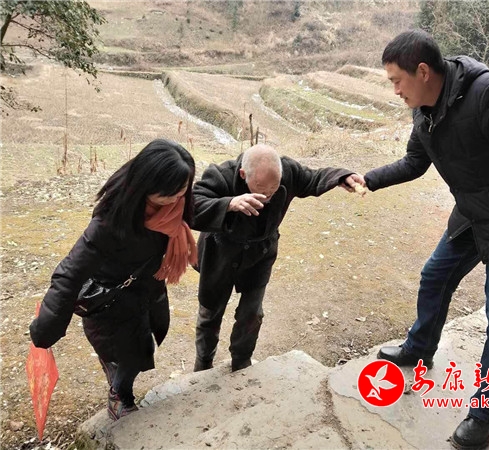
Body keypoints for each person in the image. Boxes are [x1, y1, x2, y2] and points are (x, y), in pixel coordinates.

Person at [353, 30, 489, 449]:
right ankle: (419, 348)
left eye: (397, 81)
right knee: (435, 276)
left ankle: (485, 415)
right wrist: (369, 179)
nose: (395, 90)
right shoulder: (424, 110)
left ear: (422, 71)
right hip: (474, 212)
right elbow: (415, 161)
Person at [29, 139, 197, 420]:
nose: (178, 199)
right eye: (171, 194)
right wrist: (45, 330)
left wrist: (230, 204)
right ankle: (119, 397)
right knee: (130, 357)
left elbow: (200, 208)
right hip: (111, 303)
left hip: (147, 291)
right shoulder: (109, 222)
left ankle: (117, 376)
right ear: (146, 186)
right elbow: (70, 274)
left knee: (142, 349)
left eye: (183, 191)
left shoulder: (177, 204)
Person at [191, 144, 361, 372]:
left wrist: (342, 176)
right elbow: (192, 205)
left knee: (252, 313)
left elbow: (313, 178)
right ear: (243, 174)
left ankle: (241, 361)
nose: (268, 194)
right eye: (261, 188)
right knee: (210, 312)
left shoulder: (288, 171)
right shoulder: (220, 175)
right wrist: (229, 204)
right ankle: (203, 362)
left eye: (274, 187)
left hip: (259, 255)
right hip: (221, 254)